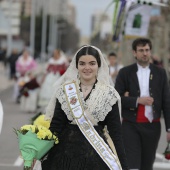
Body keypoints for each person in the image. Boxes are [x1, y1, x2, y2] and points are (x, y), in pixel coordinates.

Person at [42, 45, 129, 170]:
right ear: (76, 66)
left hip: (96, 158)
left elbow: (116, 134)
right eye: (82, 63)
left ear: (98, 65)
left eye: (92, 63)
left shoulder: (109, 94)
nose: (87, 68)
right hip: (64, 157)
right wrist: (41, 153)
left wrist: (124, 166)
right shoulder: (65, 91)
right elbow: (56, 127)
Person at [115, 38, 170, 170]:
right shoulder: (125, 73)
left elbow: (167, 101)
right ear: (134, 53)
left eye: (147, 50)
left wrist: (169, 128)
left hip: (153, 126)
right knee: (132, 164)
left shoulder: (160, 73)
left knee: (147, 164)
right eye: (141, 50)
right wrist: (137, 100)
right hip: (130, 125)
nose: (144, 53)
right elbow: (116, 98)